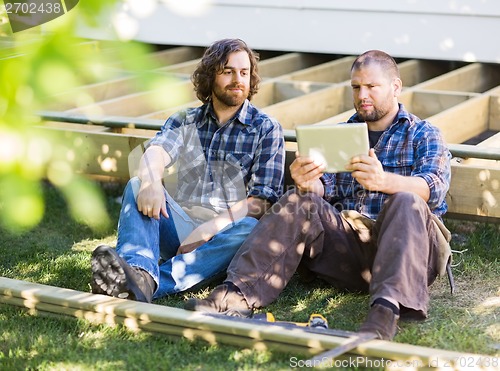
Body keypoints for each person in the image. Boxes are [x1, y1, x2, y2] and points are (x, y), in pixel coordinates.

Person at [184, 50, 452, 341]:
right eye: (356, 87)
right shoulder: (342, 134)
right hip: (354, 252)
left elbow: (434, 188)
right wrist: (306, 181)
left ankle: (385, 312)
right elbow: (323, 191)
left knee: (406, 200)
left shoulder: (424, 134)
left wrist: (384, 180)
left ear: (395, 87)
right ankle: (235, 296)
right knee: (298, 200)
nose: (362, 95)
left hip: (410, 255)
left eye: (372, 87)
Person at [90, 38, 285, 303]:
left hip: (222, 237)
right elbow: (157, 151)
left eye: (244, 72)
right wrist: (151, 183)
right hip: (178, 227)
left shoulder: (267, 128)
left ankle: (143, 283)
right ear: (210, 76)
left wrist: (207, 230)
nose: (237, 79)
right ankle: (138, 270)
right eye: (227, 71)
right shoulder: (186, 120)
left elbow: (261, 201)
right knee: (138, 184)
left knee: (250, 228)